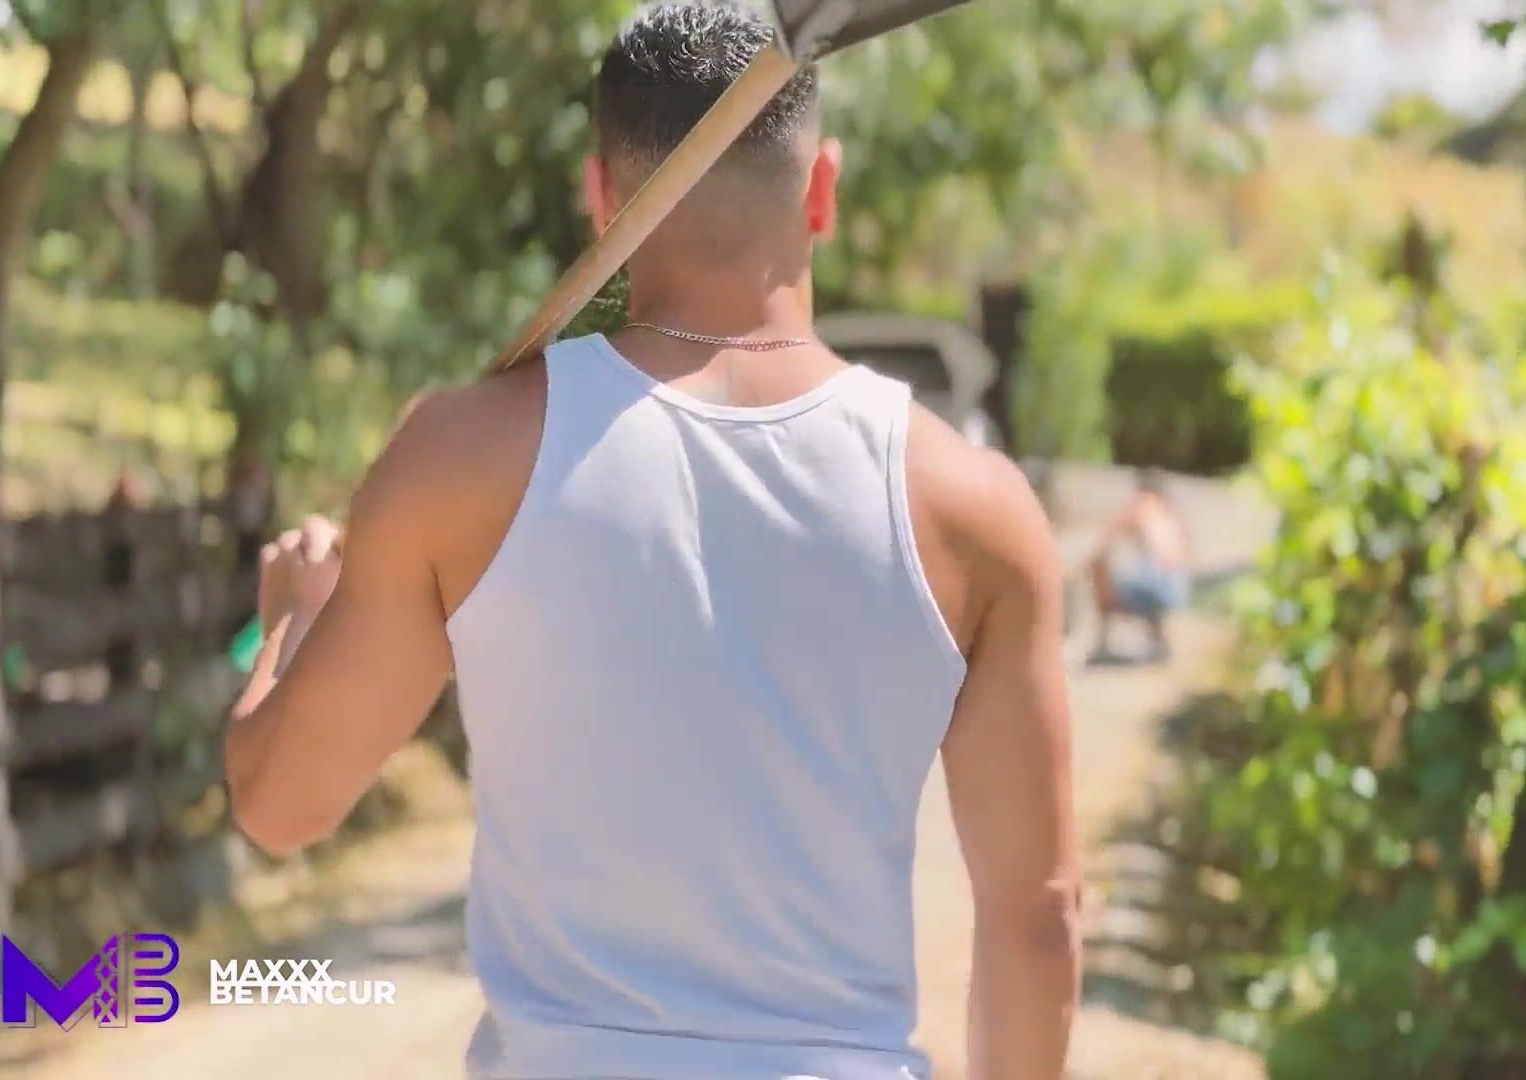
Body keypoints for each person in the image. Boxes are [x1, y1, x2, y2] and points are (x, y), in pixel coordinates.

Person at [223, 5, 1079, 1079]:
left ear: (600, 199)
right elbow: (1040, 918)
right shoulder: (974, 508)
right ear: (823, 191)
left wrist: (295, 623)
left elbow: (279, 807)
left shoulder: (458, 458)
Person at [1087, 468, 1193, 664]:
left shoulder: (1142, 504)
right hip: (1179, 590)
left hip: (1158, 587)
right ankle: (1160, 641)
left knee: (1098, 569)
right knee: (1145, 569)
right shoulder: (1170, 512)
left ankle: (1102, 643)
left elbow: (1106, 537)